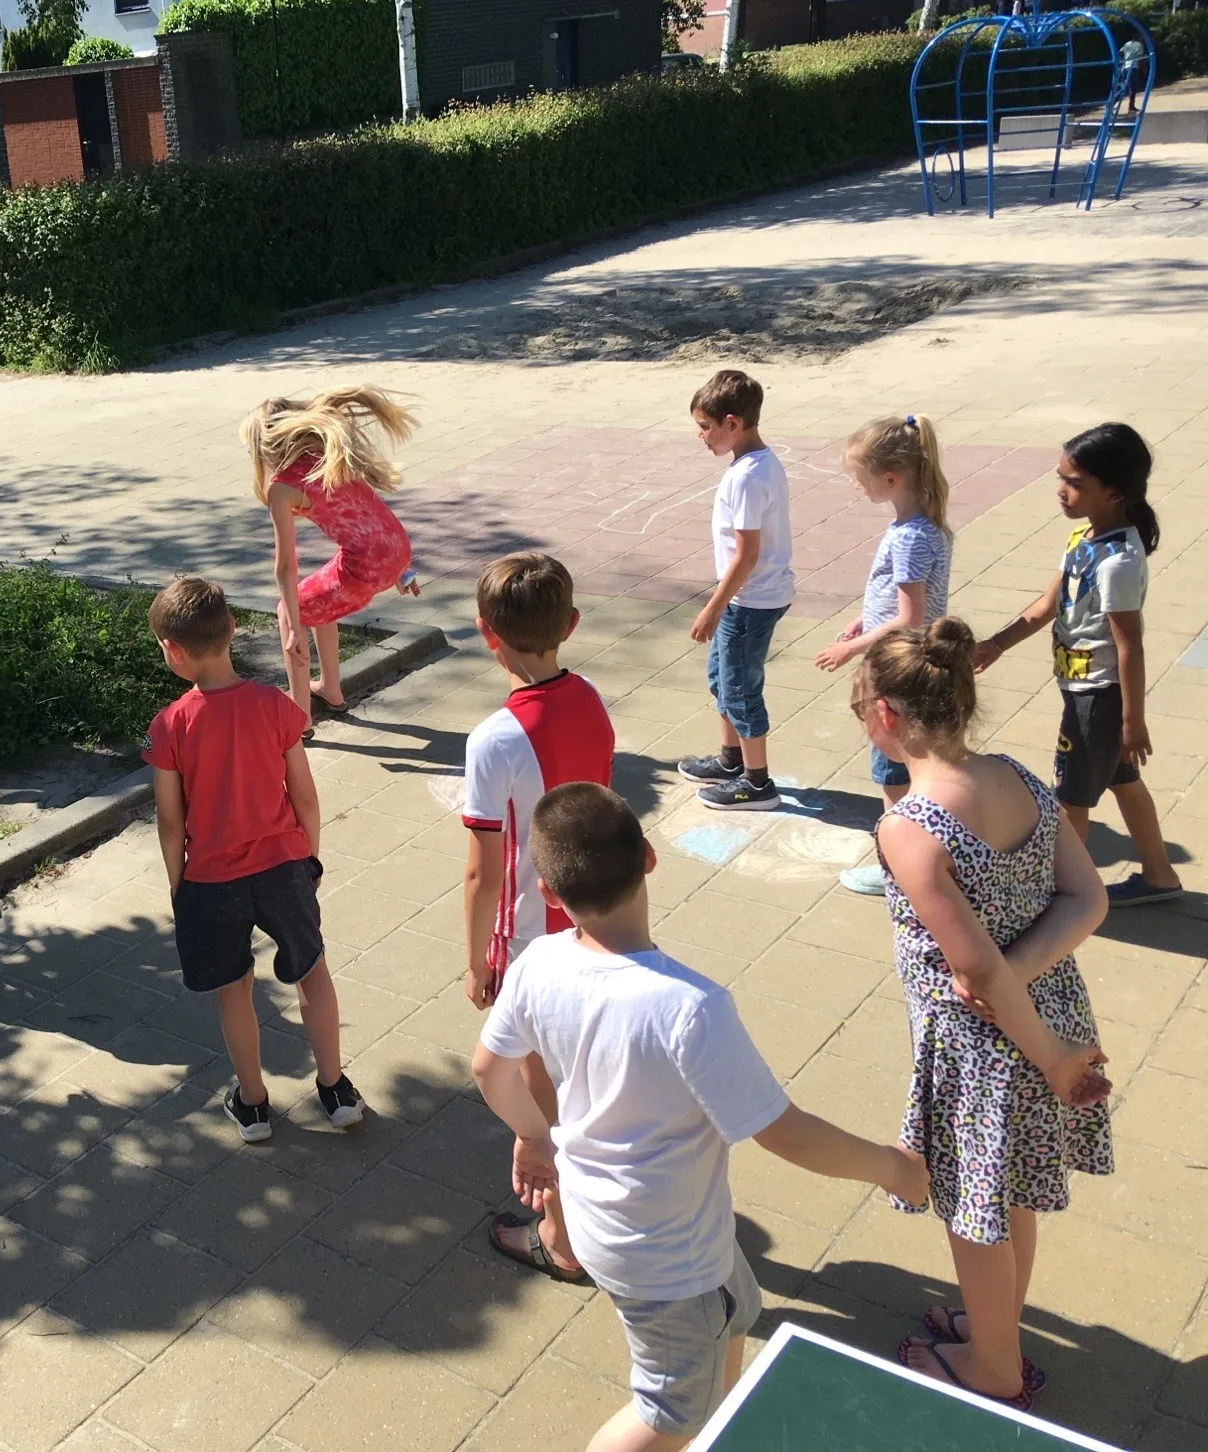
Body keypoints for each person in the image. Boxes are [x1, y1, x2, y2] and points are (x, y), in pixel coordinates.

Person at [472, 782, 929, 1452]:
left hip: (627, 1226)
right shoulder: (690, 1008)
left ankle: (719, 1434)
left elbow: (489, 1067)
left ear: (548, 893)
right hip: (665, 1258)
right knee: (666, 1412)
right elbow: (784, 1131)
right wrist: (891, 1169)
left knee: (738, 1312)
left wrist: (533, 1137)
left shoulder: (538, 962)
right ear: (650, 858)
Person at [854, 620, 1113, 1411]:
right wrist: (1035, 997)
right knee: (1010, 1189)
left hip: (986, 1049)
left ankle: (994, 1367)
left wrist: (1047, 1054)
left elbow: (973, 971)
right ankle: (994, 1323)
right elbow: (1088, 898)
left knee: (973, 1201)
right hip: (1051, 1014)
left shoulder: (907, 828)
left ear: (889, 717)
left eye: (861, 708)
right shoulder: (1018, 777)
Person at [143, 575, 363, 1141]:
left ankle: (254, 1102)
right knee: (312, 973)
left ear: (173, 649)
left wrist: (178, 886)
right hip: (284, 867)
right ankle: (335, 1089)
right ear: (233, 629)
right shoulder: (276, 706)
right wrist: (308, 859)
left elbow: (171, 821)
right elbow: (305, 795)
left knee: (234, 988)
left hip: (211, 879)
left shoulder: (170, 725)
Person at [458, 553, 614, 1284]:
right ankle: (574, 1205)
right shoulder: (589, 700)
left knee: (522, 1076)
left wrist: (476, 957)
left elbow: (482, 869)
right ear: (572, 626)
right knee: (571, 1071)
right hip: (595, 913)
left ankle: (560, 1232)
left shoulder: (494, 738)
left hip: (531, 934)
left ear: (488, 634)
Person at [973, 423, 1183, 907]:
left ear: (1114, 492)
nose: (1061, 491)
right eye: (1061, 477)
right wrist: (998, 643)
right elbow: (1050, 603)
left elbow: (1129, 647)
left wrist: (1132, 722)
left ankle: (1067, 896)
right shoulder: (1084, 536)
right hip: (1086, 693)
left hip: (1098, 700)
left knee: (1069, 802)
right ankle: (1159, 876)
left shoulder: (1119, 564)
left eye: (1075, 483)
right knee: (1124, 786)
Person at [813, 414, 955, 895]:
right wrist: (863, 620)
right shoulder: (923, 525)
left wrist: (850, 646)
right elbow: (897, 604)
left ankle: (900, 866)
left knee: (893, 771)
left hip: (897, 671)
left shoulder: (911, 537)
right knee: (913, 764)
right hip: (907, 661)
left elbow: (910, 618)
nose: (857, 487)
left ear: (890, 478)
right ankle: (927, 855)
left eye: (860, 478)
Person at [244, 387, 420, 722]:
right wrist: (400, 569)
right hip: (396, 549)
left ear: (264, 449)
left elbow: (285, 566)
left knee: (288, 608)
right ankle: (329, 688)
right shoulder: (329, 455)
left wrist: (293, 625)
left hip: (368, 564)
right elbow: (371, 515)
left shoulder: (281, 489)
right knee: (318, 598)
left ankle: (299, 716)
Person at [678, 371, 795, 811]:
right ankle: (730, 761)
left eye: (705, 426)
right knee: (721, 680)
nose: (700, 436)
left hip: (751, 601)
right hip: (747, 597)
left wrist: (713, 608)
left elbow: (746, 555)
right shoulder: (756, 463)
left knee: (741, 690)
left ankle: (757, 783)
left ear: (733, 423)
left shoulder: (748, 476)